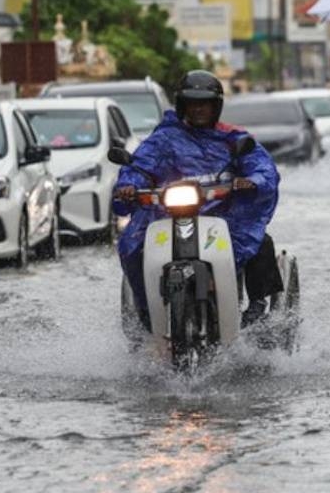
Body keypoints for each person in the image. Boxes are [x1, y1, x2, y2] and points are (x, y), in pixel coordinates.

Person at [113, 70, 283, 328]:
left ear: (216, 106)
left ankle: (258, 307)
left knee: (261, 243)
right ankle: (146, 312)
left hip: (224, 215)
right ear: (182, 106)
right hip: (167, 215)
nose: (198, 109)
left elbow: (262, 168)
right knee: (132, 246)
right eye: (192, 103)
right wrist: (128, 186)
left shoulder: (233, 138)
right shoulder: (164, 139)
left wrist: (252, 181)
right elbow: (139, 167)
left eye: (204, 103)